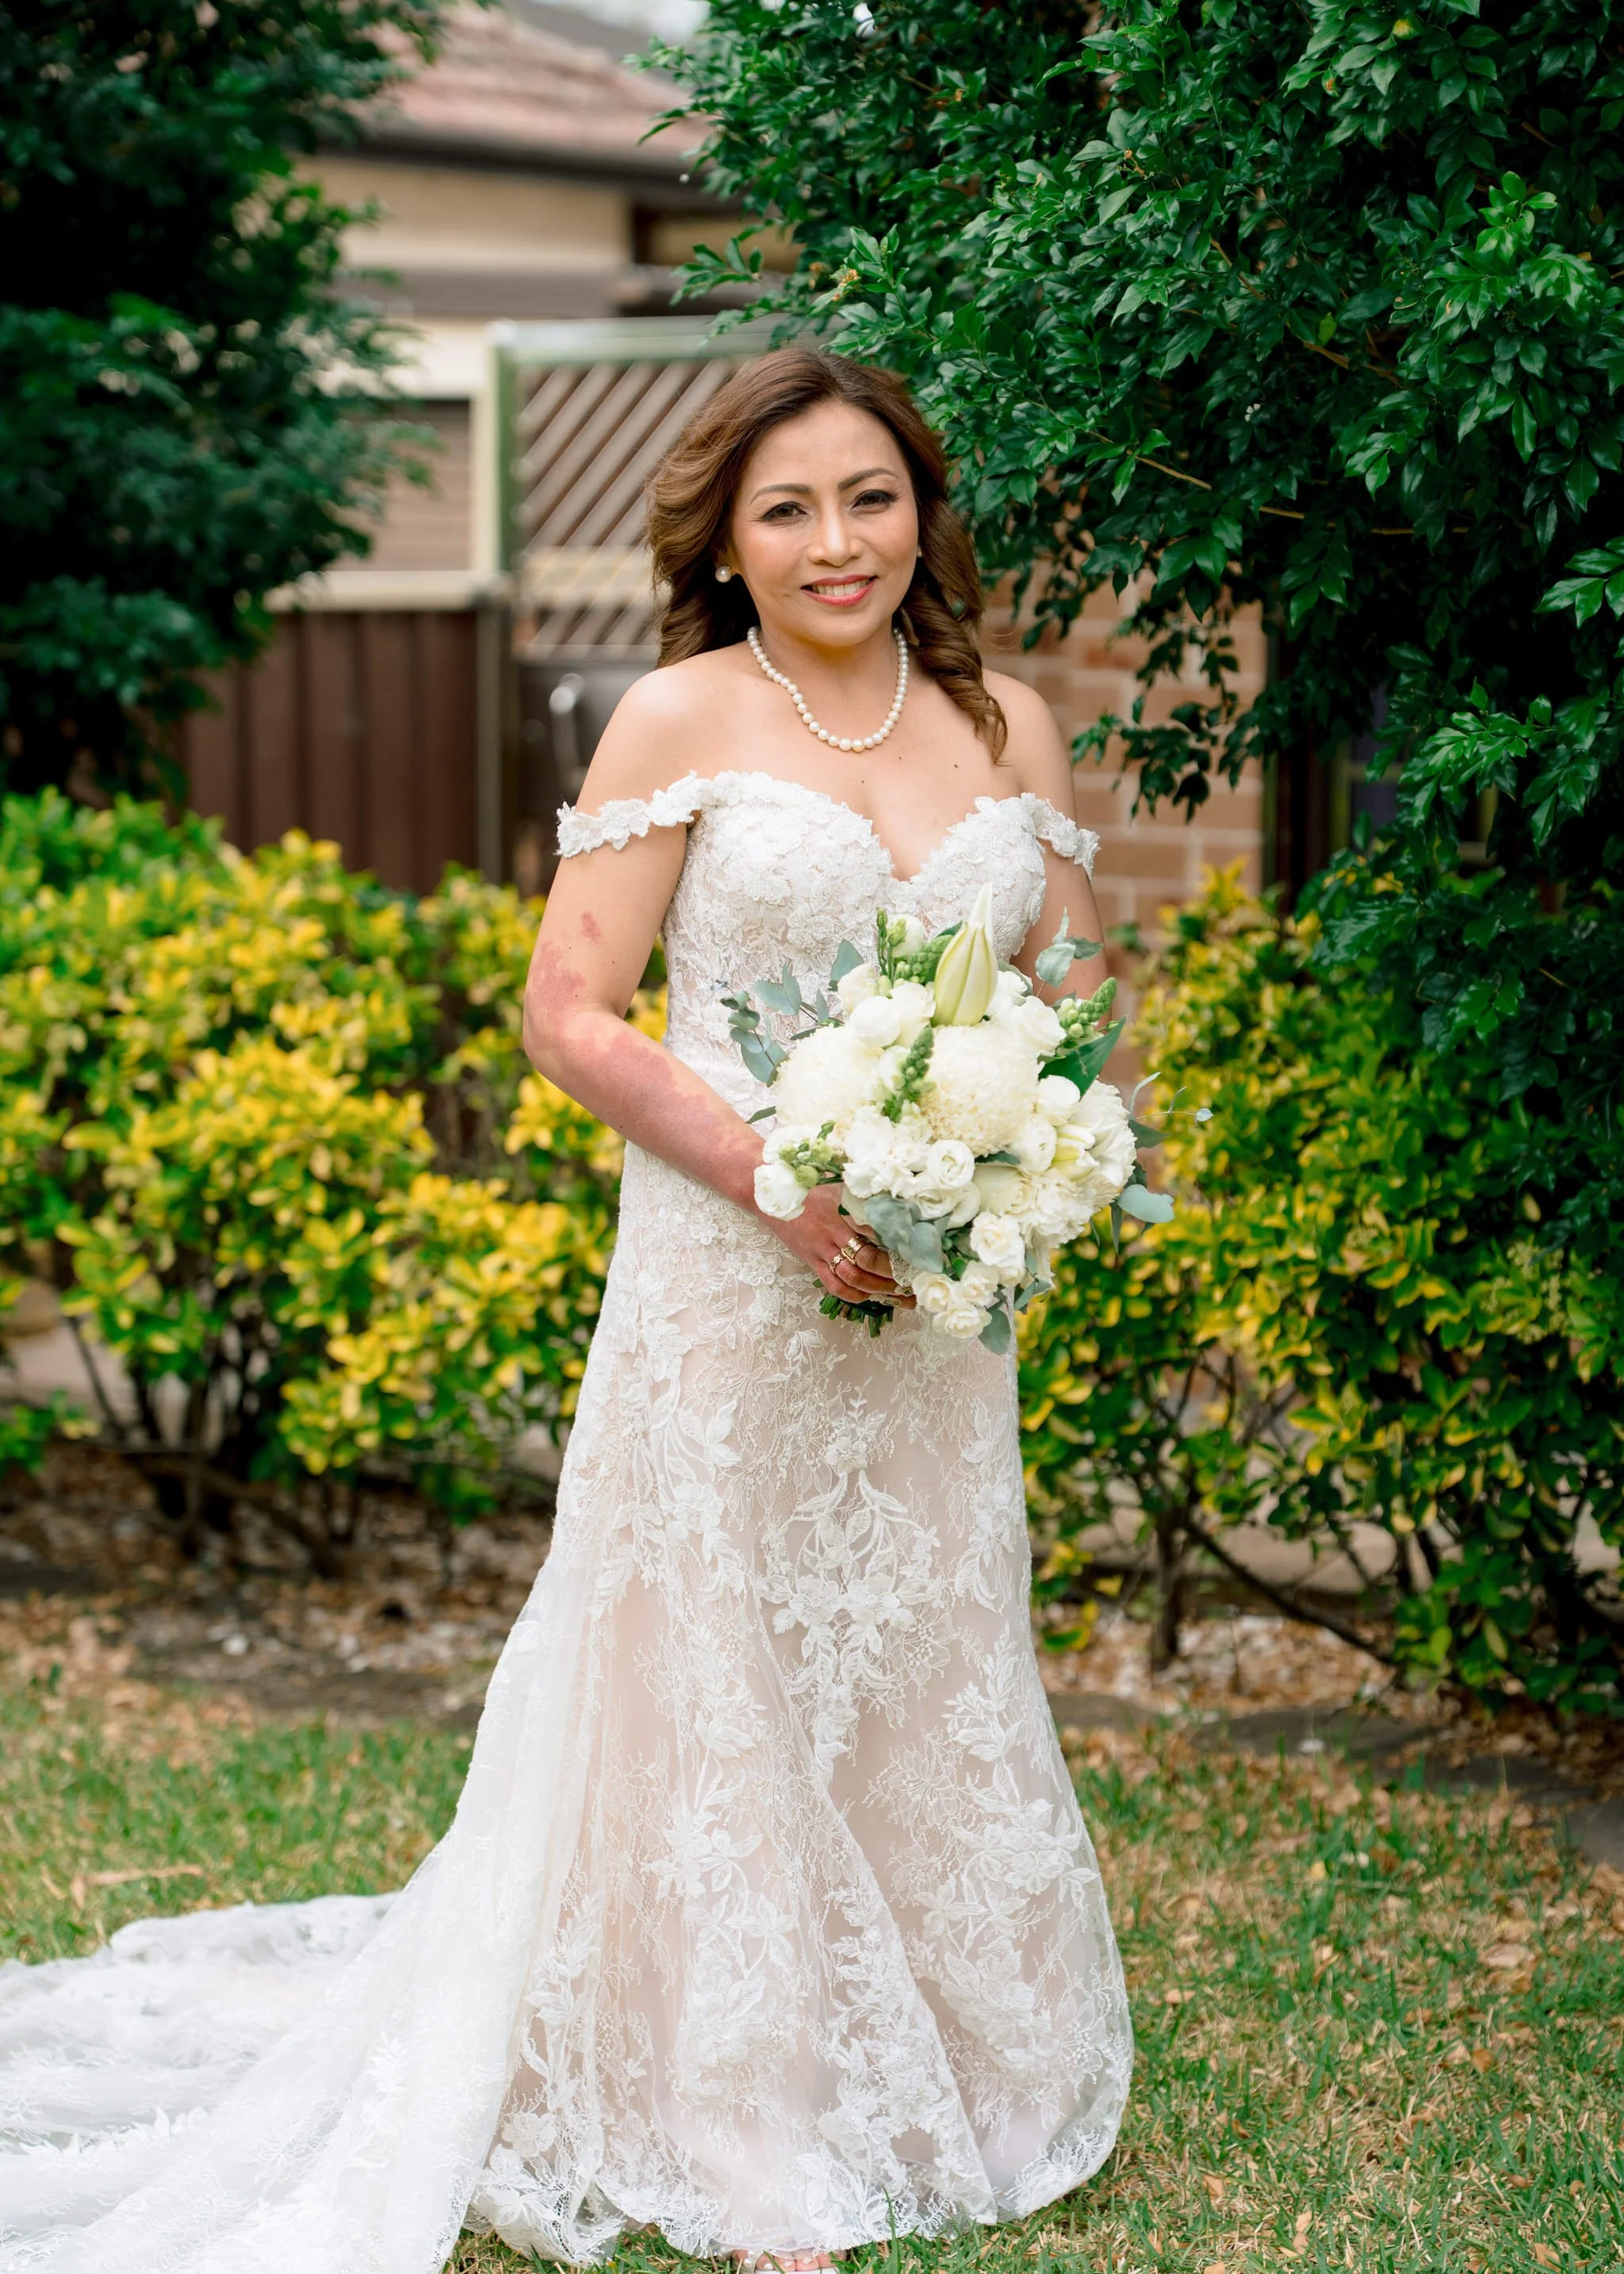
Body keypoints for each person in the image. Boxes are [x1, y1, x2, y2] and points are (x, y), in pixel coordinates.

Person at [0, 349, 1131, 2274]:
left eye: (869, 495)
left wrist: (1034, 1142)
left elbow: (1073, 979)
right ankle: (744, 2123)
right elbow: (570, 1014)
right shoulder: (676, 715)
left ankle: (952, 2053)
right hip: (726, 1276)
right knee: (714, 1669)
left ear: (921, 508)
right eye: (788, 508)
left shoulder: (1004, 718)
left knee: (919, 1639)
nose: (836, 539)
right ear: (728, 539)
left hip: (934, 1308)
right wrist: (785, 1182)